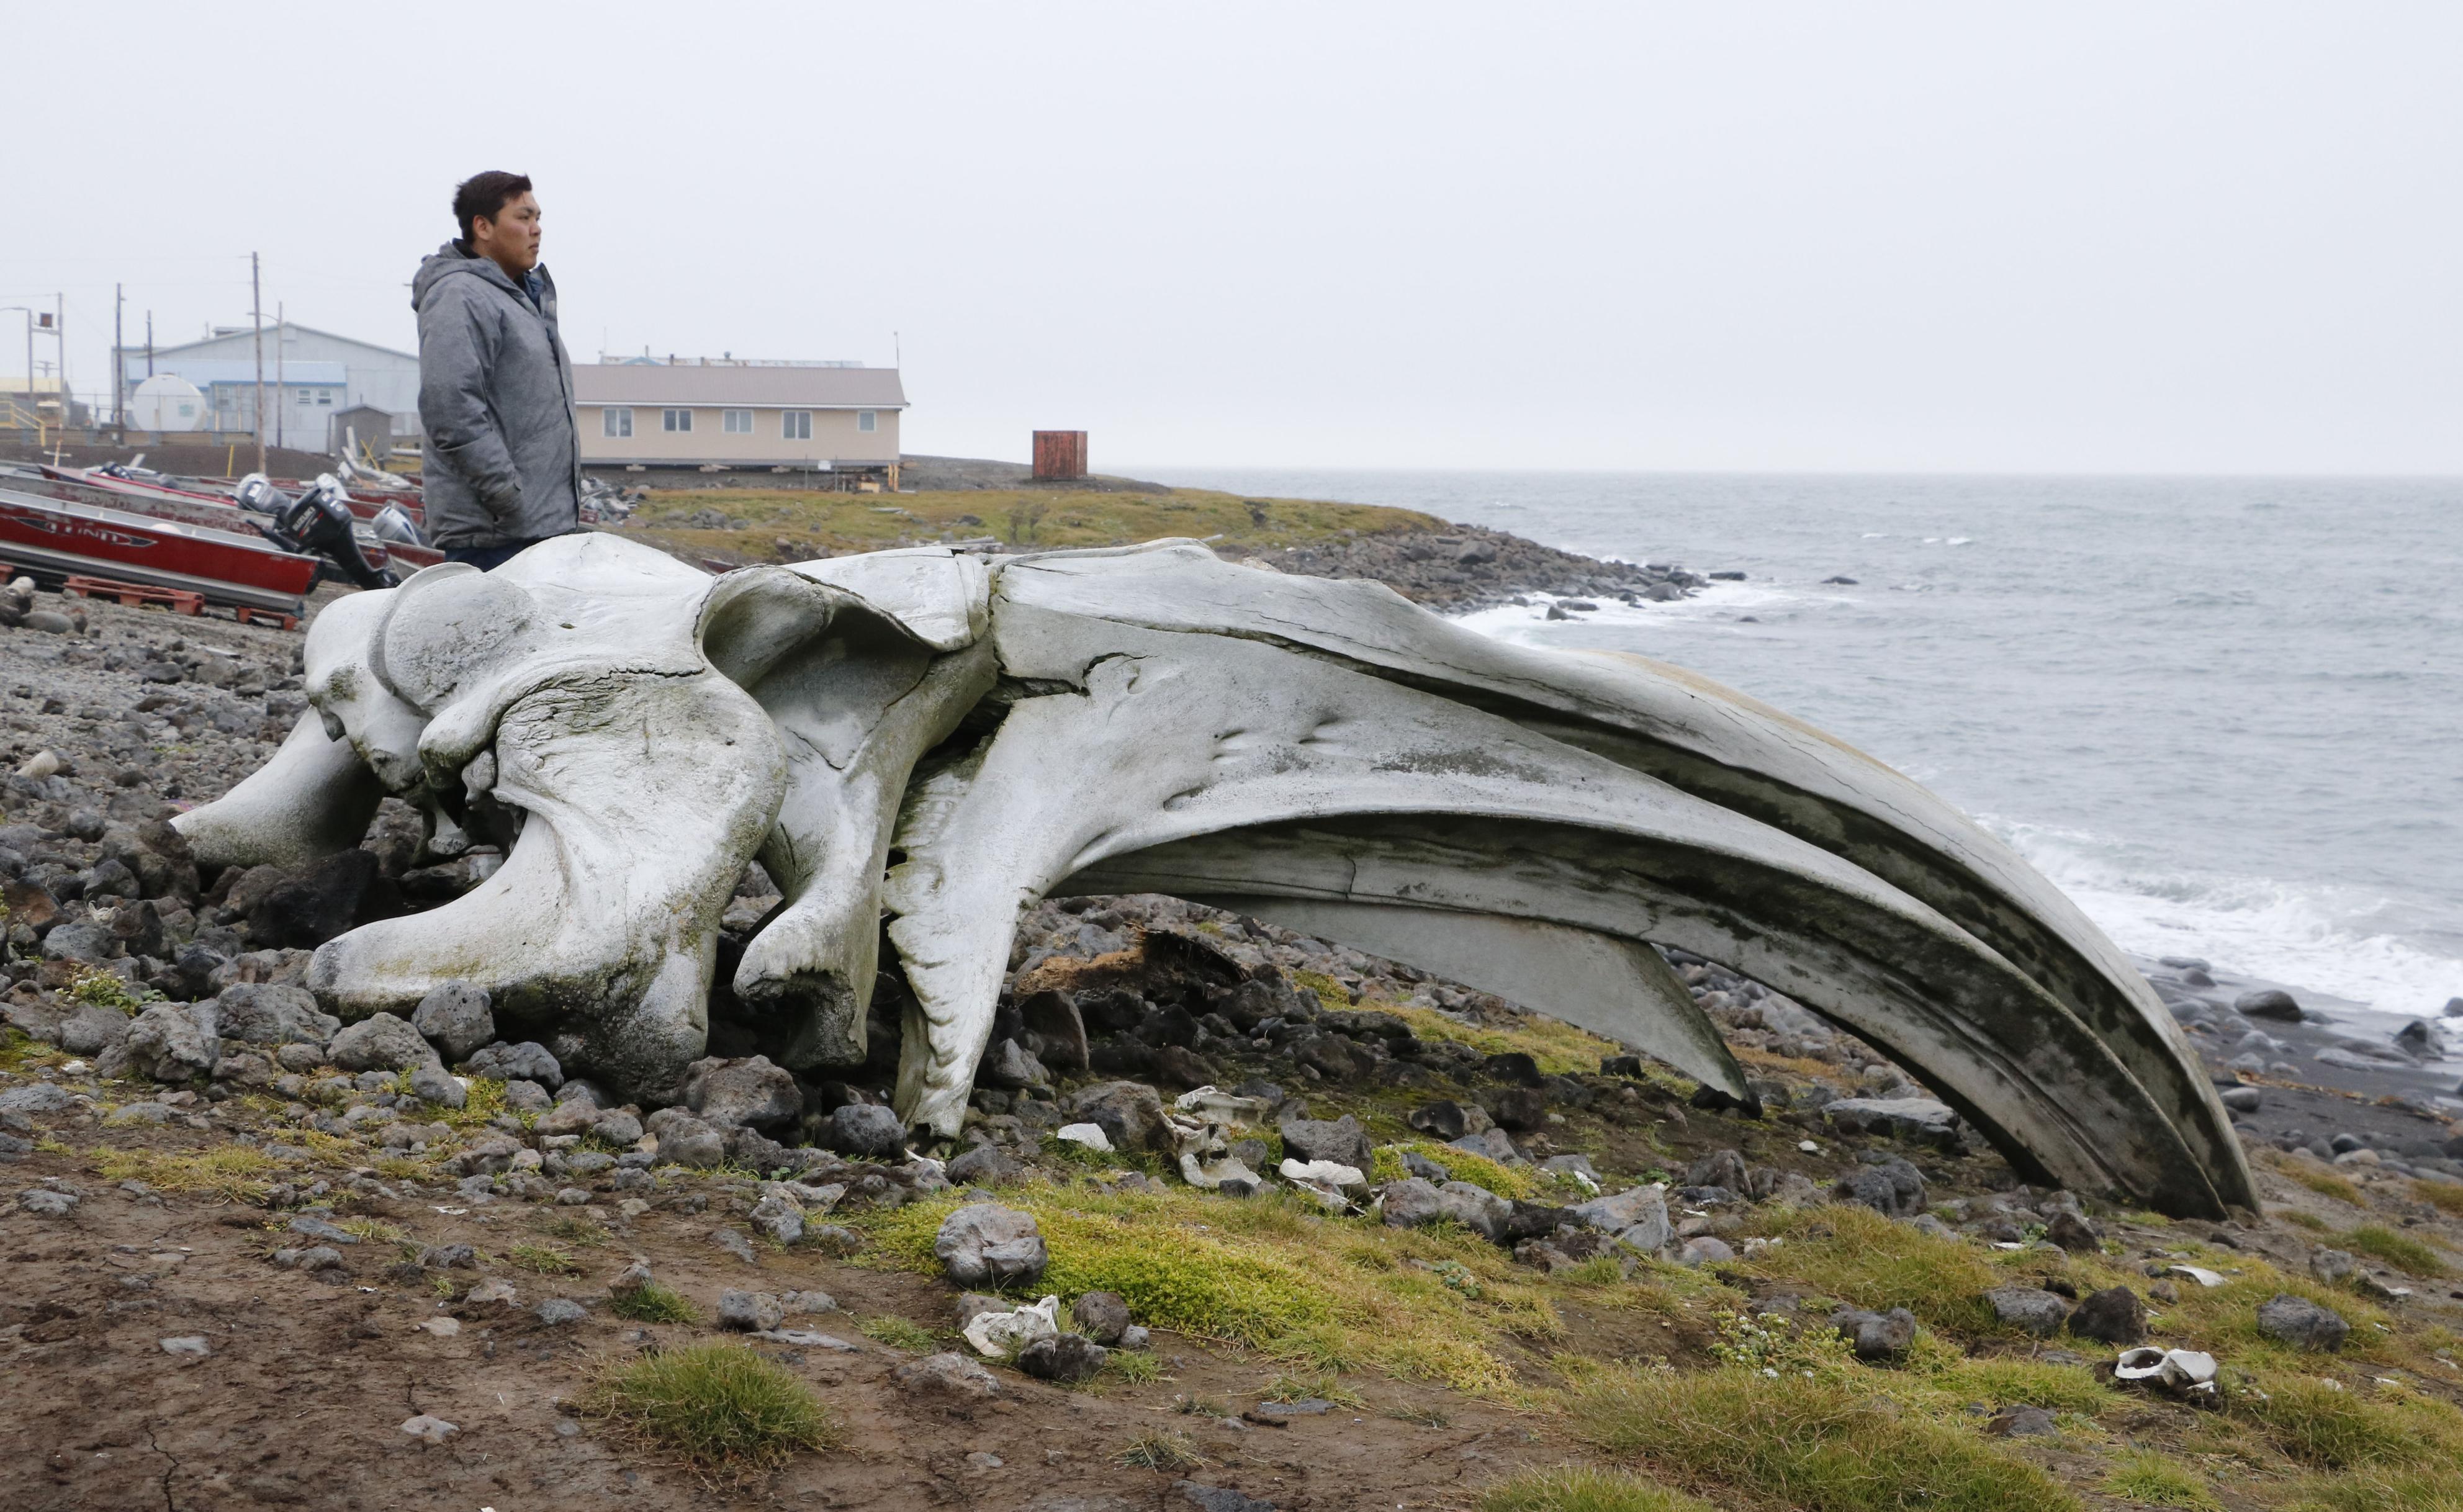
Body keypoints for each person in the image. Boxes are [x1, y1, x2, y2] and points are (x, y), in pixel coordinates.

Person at [412, 171, 582, 570]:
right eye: (523, 218)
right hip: (495, 539)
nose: (536, 229)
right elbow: (450, 408)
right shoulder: (460, 295)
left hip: (534, 532)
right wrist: (508, 496)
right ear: (483, 226)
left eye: (538, 218)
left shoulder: (520, 300)